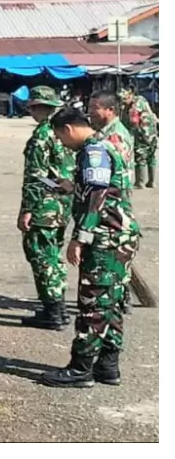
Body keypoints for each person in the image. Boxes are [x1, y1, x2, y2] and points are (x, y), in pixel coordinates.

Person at [40, 107, 140, 388]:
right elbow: (99, 187)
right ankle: (108, 366)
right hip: (119, 237)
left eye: (60, 137)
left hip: (105, 238)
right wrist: (70, 187)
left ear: (68, 129)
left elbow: (98, 193)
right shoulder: (102, 148)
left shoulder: (93, 151)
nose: (61, 143)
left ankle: (80, 368)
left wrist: (81, 237)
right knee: (113, 303)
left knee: (93, 303)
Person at [17, 86, 77, 330]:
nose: (31, 111)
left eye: (32, 107)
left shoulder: (42, 134)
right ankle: (58, 308)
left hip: (44, 205)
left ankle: (52, 310)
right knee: (53, 255)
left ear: (38, 107)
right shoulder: (62, 130)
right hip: (63, 203)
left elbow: (36, 176)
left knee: (42, 257)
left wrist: (27, 209)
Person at [87, 91, 137, 313]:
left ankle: (119, 297)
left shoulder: (114, 137)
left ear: (110, 110)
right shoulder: (107, 132)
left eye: (94, 107)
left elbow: (108, 180)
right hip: (116, 203)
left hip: (113, 204)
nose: (90, 113)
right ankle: (119, 296)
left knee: (113, 254)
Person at [120, 89, 158, 189]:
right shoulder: (142, 99)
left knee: (141, 157)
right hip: (153, 132)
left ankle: (140, 183)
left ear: (130, 95)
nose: (123, 102)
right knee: (152, 156)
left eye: (125, 99)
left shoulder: (133, 107)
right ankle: (152, 182)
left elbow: (133, 121)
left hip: (142, 133)